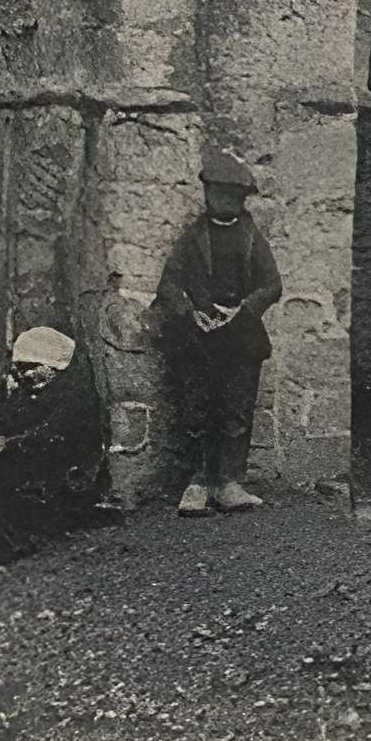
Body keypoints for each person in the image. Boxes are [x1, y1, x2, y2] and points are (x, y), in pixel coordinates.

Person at [151, 147, 282, 517]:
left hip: (240, 337)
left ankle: (228, 482)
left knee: (236, 411)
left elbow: (272, 285)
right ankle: (196, 483)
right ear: (206, 193)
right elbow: (168, 285)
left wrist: (243, 310)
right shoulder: (192, 237)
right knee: (197, 410)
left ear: (241, 198)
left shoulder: (252, 237)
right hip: (198, 337)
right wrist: (190, 312)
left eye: (229, 194)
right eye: (214, 192)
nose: (220, 199)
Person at [0, 324, 118, 560]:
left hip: (67, 469)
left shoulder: (74, 396)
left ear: (52, 365)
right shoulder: (26, 393)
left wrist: (7, 445)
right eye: (20, 368)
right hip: (32, 458)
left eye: (31, 367)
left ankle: (20, 540)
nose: (25, 375)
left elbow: (53, 432)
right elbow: (5, 422)